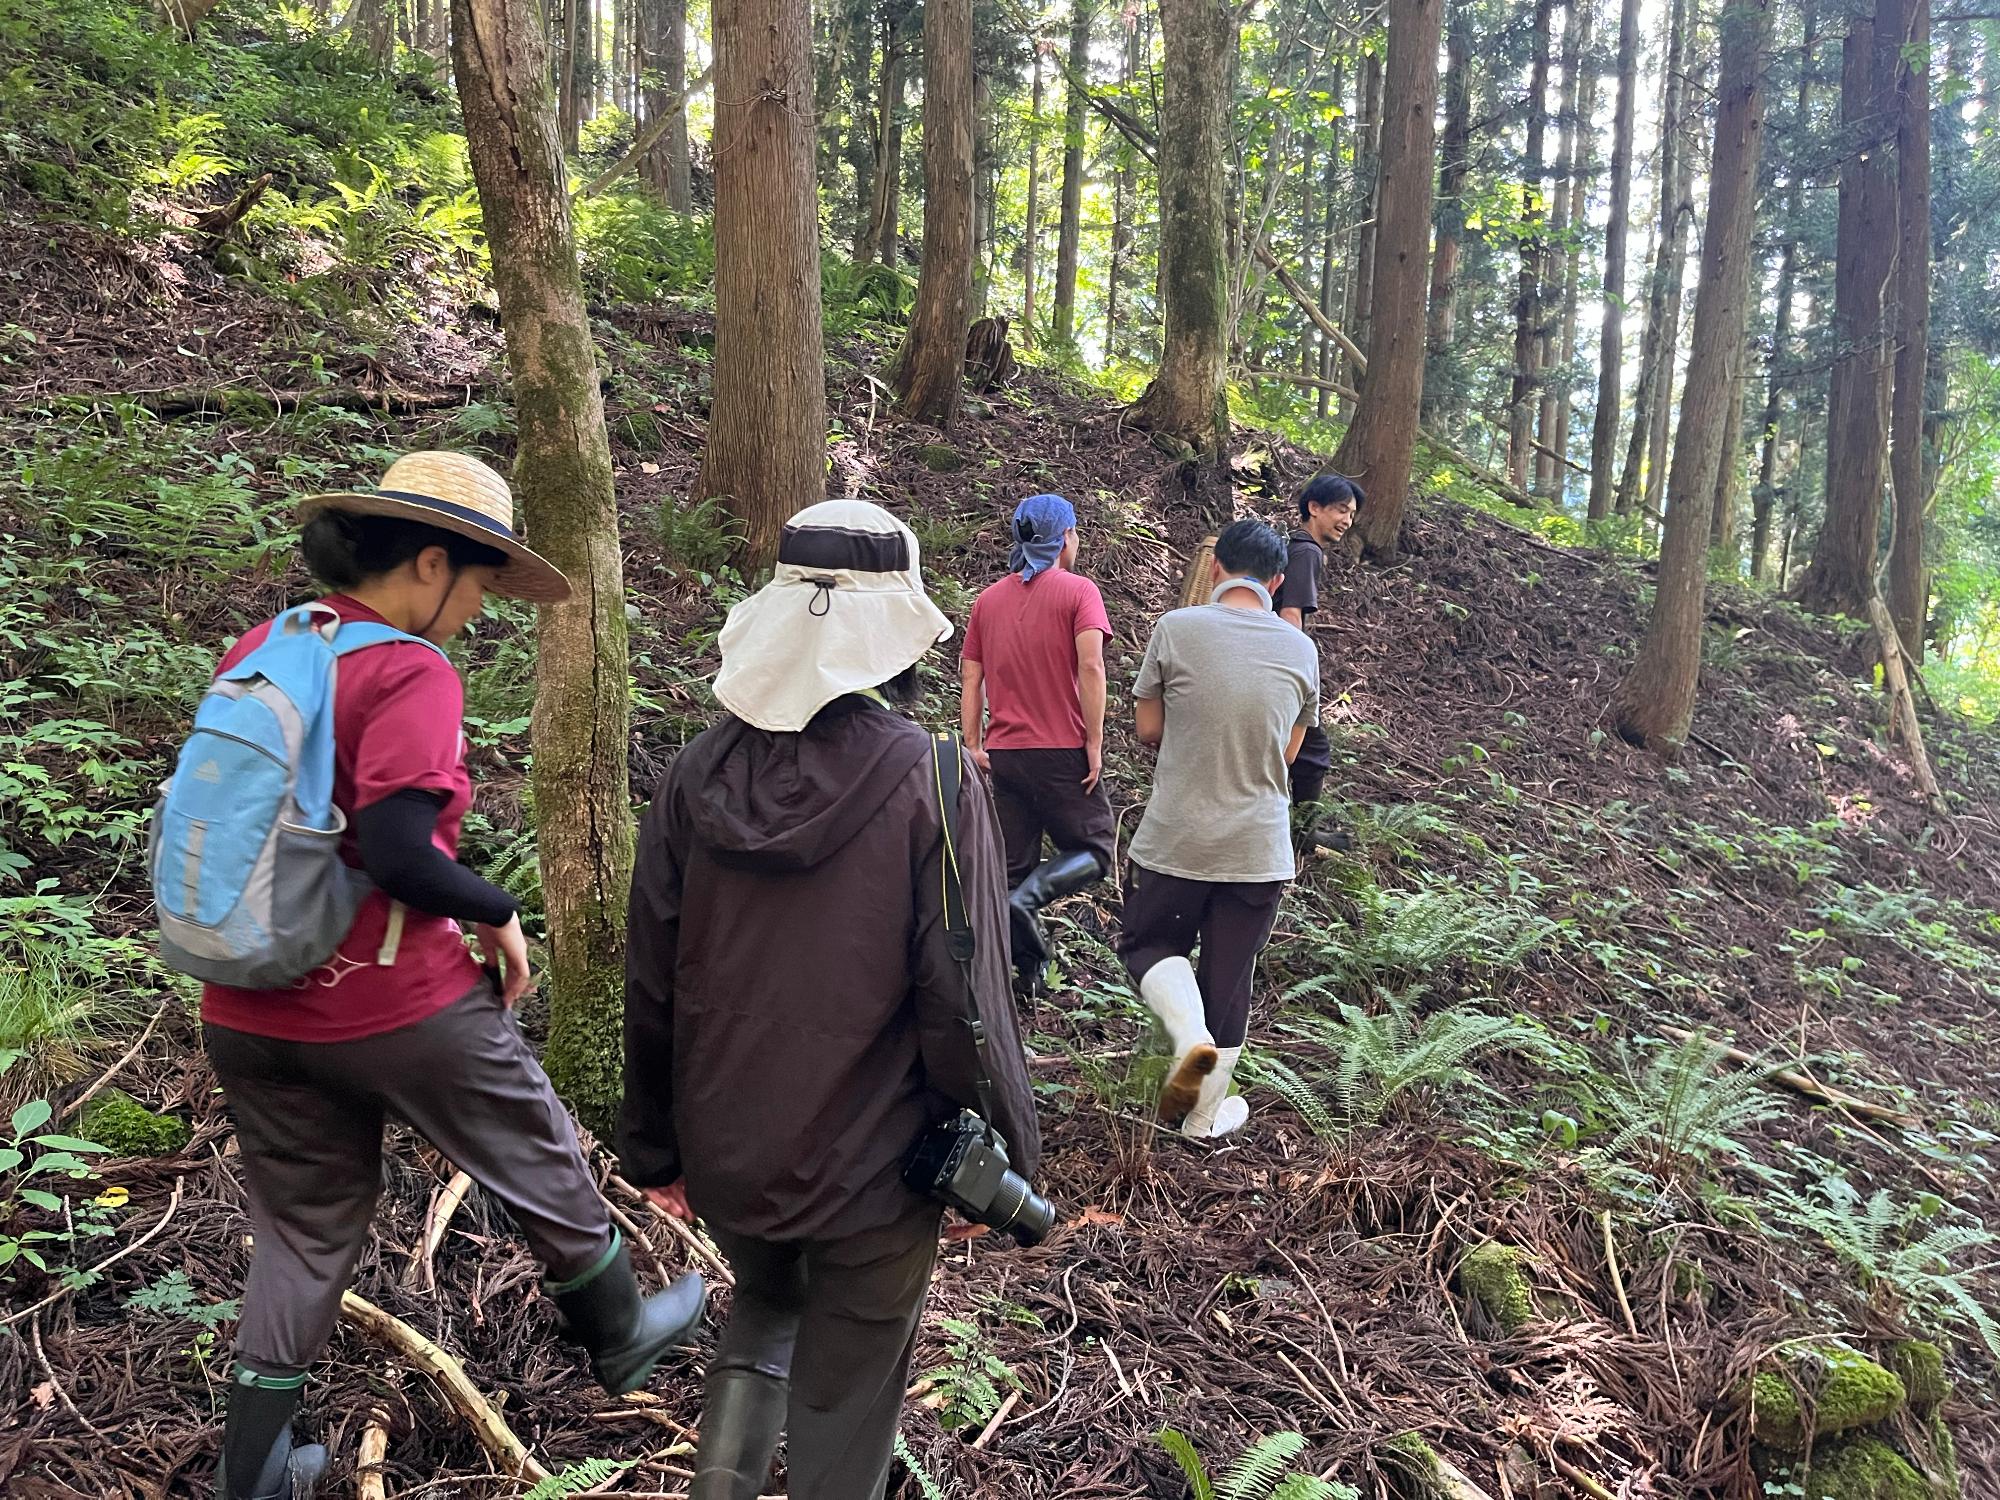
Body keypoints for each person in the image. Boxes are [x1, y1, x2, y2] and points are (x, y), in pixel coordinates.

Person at [195, 454, 705, 1500]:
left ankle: (253, 1473)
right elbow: (393, 851)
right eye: (475, 586)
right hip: (389, 1003)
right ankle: (619, 1334)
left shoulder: (268, 645)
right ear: (429, 564)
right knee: (535, 1140)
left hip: (241, 1003)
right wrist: (497, 910)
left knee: (299, 1226)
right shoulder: (409, 670)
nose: (476, 610)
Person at [620, 499, 1042, 1500]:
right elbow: (963, 996)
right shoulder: (933, 781)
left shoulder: (693, 774)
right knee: (845, 1396)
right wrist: (1000, 1156)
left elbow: (649, 971)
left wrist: (655, 1147)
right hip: (874, 1175)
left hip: (726, 1147)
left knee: (763, 1309)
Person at [1118, 518, 1320, 1139]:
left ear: (1213, 568)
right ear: (1279, 581)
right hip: (1259, 847)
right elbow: (1289, 753)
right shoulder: (1301, 649)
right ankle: (1200, 1119)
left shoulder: (1175, 629)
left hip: (1177, 835)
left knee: (1148, 945)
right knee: (1229, 980)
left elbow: (1148, 730)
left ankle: (1188, 1037)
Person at [959, 493, 1116, 991]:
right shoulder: (1078, 592)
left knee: (1010, 870)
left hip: (1004, 755)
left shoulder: (988, 600)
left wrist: (973, 743)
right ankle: (1026, 907)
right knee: (1094, 851)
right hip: (1061, 748)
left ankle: (1026, 975)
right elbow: (1091, 665)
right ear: (1065, 537)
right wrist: (1093, 741)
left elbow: (971, 677)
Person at [1274, 473, 1361, 821]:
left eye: (1352, 514)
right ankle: (1304, 832)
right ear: (1314, 507)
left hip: (1263, 654)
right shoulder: (1307, 551)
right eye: (1341, 510)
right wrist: (1300, 675)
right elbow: (1290, 615)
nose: (1347, 521)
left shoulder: (1291, 544)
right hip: (1280, 662)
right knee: (1313, 749)